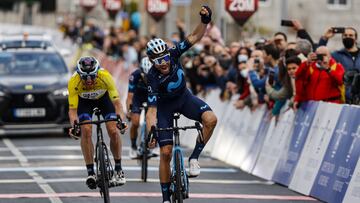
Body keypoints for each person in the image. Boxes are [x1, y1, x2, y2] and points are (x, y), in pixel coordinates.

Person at [145, 6, 217, 203]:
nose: (164, 62)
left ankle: (194, 158)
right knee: (165, 153)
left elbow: (194, 37)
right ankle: (166, 198)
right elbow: (151, 109)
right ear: (151, 61)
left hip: (185, 98)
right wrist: (151, 129)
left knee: (211, 119)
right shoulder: (151, 77)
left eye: (165, 57)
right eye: (158, 60)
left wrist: (205, 21)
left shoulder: (174, 53)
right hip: (164, 108)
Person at [68, 56, 127, 189]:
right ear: (79, 75)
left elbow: (117, 104)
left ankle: (118, 168)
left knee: (113, 130)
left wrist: (120, 120)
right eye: (85, 77)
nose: (89, 81)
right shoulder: (73, 81)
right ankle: (90, 172)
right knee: (86, 130)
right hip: (84, 102)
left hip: (104, 99)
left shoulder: (105, 76)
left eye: (92, 77)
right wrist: (75, 126)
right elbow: (72, 110)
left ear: (97, 72)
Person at [126, 57, 152, 158]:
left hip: (151, 98)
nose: (146, 78)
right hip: (137, 98)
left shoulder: (156, 75)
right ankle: (133, 146)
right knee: (135, 122)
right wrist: (129, 111)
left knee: (154, 121)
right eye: (145, 76)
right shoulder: (134, 75)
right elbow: (129, 97)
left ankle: (152, 144)